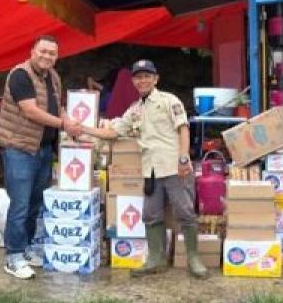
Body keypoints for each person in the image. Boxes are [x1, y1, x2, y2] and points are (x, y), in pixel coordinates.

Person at [86, 60, 205, 277]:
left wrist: (184, 158)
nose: (142, 80)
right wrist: (84, 129)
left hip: (173, 167)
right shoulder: (134, 111)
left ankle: (194, 259)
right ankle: (155, 259)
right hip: (150, 171)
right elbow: (114, 132)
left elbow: (183, 129)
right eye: (138, 77)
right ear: (133, 81)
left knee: (185, 212)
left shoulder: (169, 101)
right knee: (151, 215)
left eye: (147, 76)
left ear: (155, 79)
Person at [0, 35, 82, 279]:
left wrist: (69, 120)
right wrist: (65, 125)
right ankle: (12, 256)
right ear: (32, 50)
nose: (47, 57)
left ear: (57, 56)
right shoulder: (20, 75)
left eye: (52, 53)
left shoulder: (53, 76)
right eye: (42, 51)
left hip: (43, 149)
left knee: (35, 204)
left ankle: (26, 250)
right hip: (19, 148)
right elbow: (30, 111)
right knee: (20, 204)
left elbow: (57, 106)